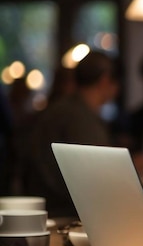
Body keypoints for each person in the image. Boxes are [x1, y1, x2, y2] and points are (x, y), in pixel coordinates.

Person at [21, 49, 119, 218]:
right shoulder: (79, 117)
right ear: (104, 81)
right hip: (65, 215)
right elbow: (94, 178)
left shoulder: (63, 109)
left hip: (46, 208)